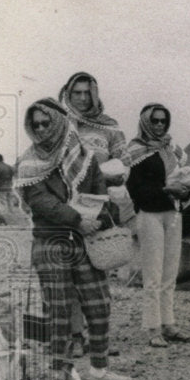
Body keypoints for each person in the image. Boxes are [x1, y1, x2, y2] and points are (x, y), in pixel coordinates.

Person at [15, 99, 132, 380]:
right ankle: (60, 371)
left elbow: (100, 194)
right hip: (51, 241)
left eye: (45, 122)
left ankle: (99, 369)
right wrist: (79, 220)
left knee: (99, 302)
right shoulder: (28, 164)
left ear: (58, 121)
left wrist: (98, 218)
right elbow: (41, 203)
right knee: (59, 308)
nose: (41, 129)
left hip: (84, 242)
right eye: (36, 124)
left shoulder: (86, 157)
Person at [58, 71, 128, 357]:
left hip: (100, 207)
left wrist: (114, 174)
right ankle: (77, 336)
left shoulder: (109, 128)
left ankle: (100, 336)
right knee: (71, 275)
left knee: (99, 274)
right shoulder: (60, 124)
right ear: (68, 93)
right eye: (78, 93)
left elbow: (124, 163)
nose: (84, 98)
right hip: (69, 208)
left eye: (89, 92)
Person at [124, 103, 190, 348]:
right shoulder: (136, 150)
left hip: (173, 212)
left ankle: (169, 323)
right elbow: (135, 189)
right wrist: (167, 189)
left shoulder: (171, 149)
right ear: (145, 121)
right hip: (150, 214)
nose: (159, 125)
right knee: (153, 273)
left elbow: (183, 182)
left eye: (163, 120)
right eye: (154, 121)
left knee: (170, 270)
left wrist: (184, 192)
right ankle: (153, 327)